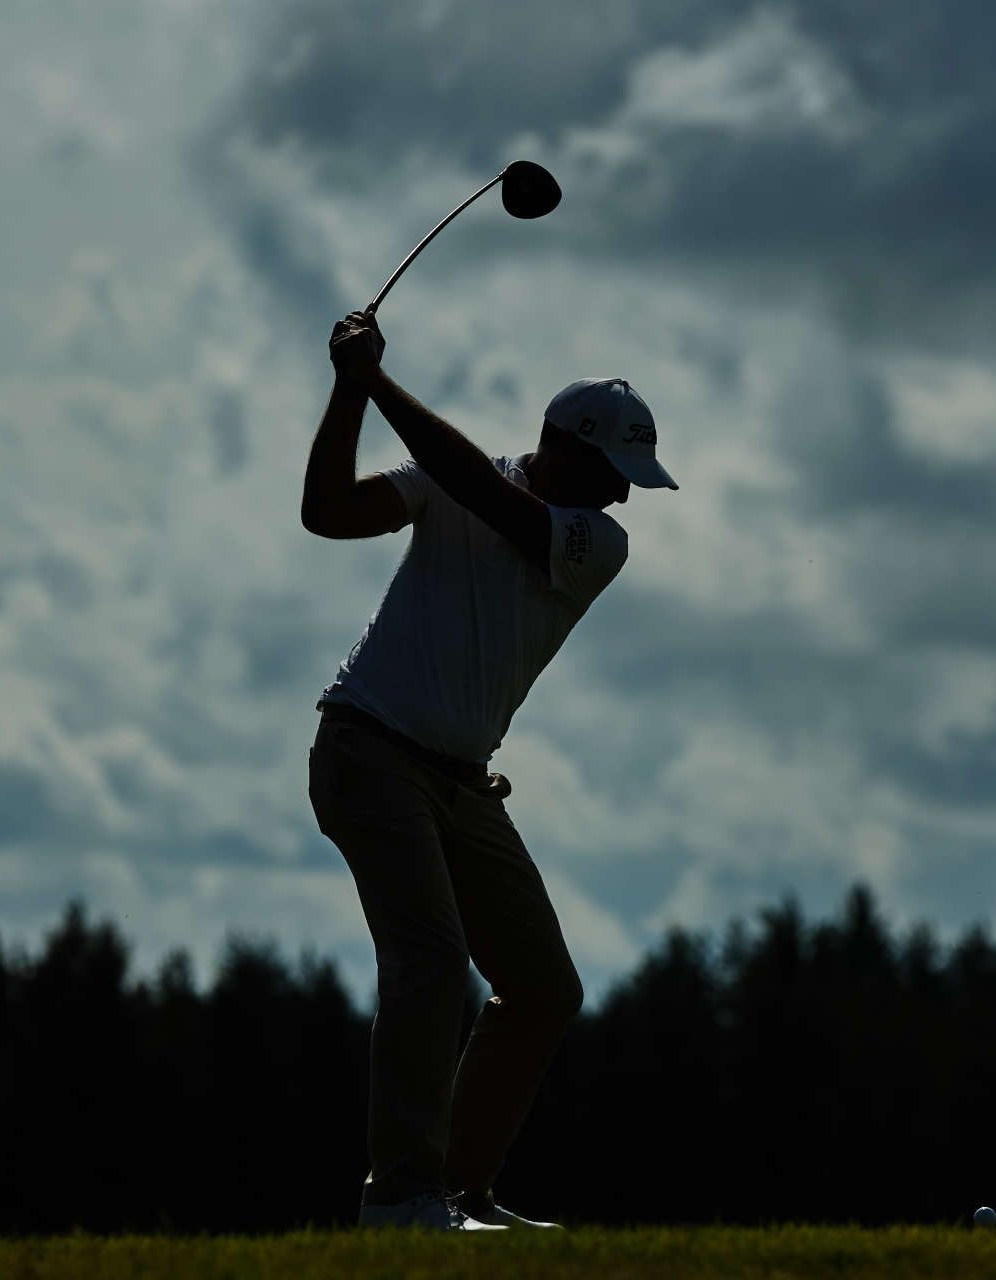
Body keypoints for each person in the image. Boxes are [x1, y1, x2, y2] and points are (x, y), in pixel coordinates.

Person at [302, 310, 677, 1231]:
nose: (625, 499)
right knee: (430, 960)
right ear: (563, 446)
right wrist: (350, 390)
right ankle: (400, 1198)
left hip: (461, 782)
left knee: (544, 988)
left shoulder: (594, 542)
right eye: (614, 475)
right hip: (368, 750)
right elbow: (325, 512)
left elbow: (491, 500)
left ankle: (459, 1193)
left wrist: (378, 381)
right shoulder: (447, 482)